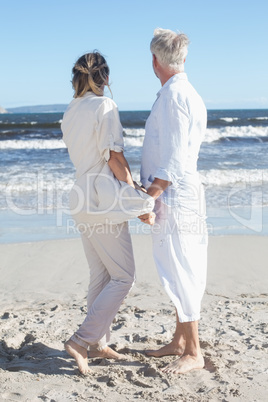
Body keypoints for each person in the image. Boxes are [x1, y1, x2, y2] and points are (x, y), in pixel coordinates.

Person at [61, 51, 153, 375]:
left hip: (80, 197)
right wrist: (138, 197)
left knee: (100, 275)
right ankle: (82, 339)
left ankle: (98, 343)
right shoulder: (105, 106)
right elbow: (114, 159)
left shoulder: (70, 111)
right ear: (106, 78)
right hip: (101, 199)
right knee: (124, 276)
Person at [139, 28, 208, 374]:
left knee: (182, 269)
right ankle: (180, 340)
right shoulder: (179, 92)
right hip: (176, 193)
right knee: (177, 265)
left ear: (155, 61)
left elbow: (177, 155)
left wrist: (150, 196)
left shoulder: (176, 96)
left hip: (175, 196)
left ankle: (193, 351)